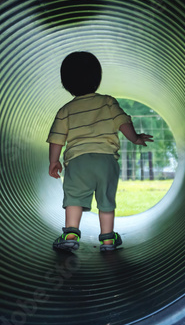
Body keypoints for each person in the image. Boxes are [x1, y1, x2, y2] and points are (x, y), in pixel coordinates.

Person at [47, 52, 153, 252]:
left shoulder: (65, 110)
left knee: (74, 199)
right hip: (106, 161)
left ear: (65, 83)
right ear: (98, 79)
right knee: (106, 200)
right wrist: (136, 138)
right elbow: (123, 123)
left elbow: (56, 139)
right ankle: (107, 240)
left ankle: (70, 234)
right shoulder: (108, 102)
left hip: (78, 162)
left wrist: (54, 162)